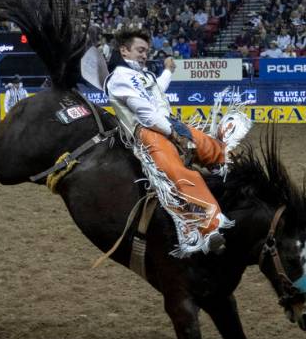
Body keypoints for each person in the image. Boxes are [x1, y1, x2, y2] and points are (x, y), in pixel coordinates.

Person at [105, 29, 246, 256]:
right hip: (148, 132)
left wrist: (168, 71)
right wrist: (172, 133)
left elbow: (156, 90)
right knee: (175, 172)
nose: (144, 55)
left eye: (146, 51)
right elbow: (145, 113)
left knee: (213, 148)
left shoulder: (142, 75)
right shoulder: (120, 77)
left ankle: (233, 180)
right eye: (140, 50)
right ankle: (208, 228)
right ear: (124, 50)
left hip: (169, 124)